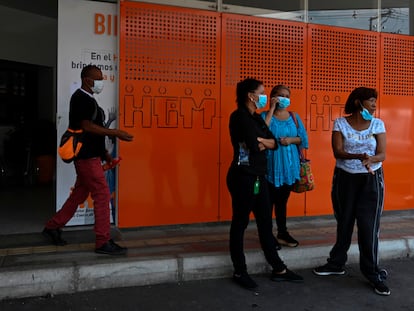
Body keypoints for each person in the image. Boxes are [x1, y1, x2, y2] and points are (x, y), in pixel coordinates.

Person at [42, 65, 134, 255]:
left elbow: (95, 134)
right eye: (98, 78)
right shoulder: (80, 99)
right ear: (87, 79)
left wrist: (105, 155)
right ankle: (102, 241)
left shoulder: (89, 99)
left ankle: (52, 226)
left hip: (90, 156)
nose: (101, 82)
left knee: (78, 195)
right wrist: (115, 132)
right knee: (101, 195)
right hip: (86, 158)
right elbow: (87, 127)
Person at [226, 78, 303, 290]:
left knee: (265, 224)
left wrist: (262, 141)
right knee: (240, 224)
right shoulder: (239, 117)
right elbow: (253, 145)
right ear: (251, 96)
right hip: (243, 178)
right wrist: (261, 142)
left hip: (260, 177)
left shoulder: (257, 118)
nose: (264, 97)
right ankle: (240, 270)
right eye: (261, 93)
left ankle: (279, 268)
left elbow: (272, 143)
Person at [312, 87, 389, 296]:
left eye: (375, 102)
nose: (374, 105)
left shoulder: (377, 124)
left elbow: (382, 154)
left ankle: (372, 272)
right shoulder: (340, 123)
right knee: (344, 222)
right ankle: (336, 264)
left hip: (371, 179)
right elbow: (337, 151)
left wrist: (372, 159)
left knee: (368, 226)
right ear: (358, 102)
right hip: (345, 179)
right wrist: (358, 156)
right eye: (371, 101)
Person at [261, 85, 308, 248]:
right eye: (279, 95)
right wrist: (271, 109)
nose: (283, 98)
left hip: (289, 167)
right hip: (269, 167)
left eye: (286, 95)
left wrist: (290, 140)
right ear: (272, 96)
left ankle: (282, 232)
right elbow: (260, 134)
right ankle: (267, 235)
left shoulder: (294, 117)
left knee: (282, 202)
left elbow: (303, 139)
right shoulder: (263, 116)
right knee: (267, 203)